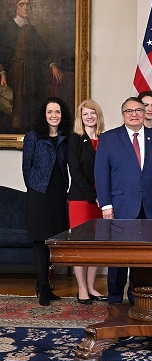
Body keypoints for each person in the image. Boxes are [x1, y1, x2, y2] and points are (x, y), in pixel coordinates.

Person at [94, 97, 152, 304]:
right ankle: (115, 300)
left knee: (142, 257)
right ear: (123, 114)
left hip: (149, 207)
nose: (134, 114)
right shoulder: (109, 139)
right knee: (118, 258)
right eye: (129, 111)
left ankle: (139, 299)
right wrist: (106, 205)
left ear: (145, 112)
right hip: (119, 207)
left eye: (138, 110)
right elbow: (101, 174)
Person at [22, 96, 70, 306]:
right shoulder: (33, 137)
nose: (54, 116)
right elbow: (26, 167)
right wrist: (34, 186)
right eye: (50, 112)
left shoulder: (66, 136)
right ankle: (42, 286)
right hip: (39, 193)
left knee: (53, 240)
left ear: (62, 115)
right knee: (40, 240)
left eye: (57, 112)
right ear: (44, 114)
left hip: (59, 193)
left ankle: (47, 283)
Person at [0, 0, 64, 133]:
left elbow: (43, 50)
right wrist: (2, 73)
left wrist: (52, 65)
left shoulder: (31, 29)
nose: (25, 8)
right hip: (15, 72)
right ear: (15, 7)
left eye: (28, 5)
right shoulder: (7, 27)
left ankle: (29, 130)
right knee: (15, 101)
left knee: (31, 100)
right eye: (21, 4)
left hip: (31, 72)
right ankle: (13, 130)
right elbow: (2, 53)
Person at [67, 100, 107, 305]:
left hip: (102, 201)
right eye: (85, 114)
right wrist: (94, 197)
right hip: (81, 200)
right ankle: (82, 288)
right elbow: (75, 172)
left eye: (93, 113)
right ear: (80, 118)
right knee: (81, 245)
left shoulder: (105, 139)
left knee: (96, 246)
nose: (89, 116)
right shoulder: (74, 139)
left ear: (98, 116)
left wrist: (104, 197)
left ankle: (92, 287)